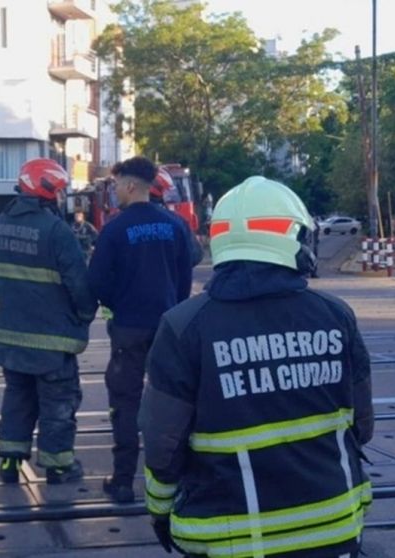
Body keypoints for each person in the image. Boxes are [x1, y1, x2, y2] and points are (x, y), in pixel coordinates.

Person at [139, 176, 373, 557]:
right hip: (334, 529)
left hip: (231, 540)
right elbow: (362, 426)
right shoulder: (336, 316)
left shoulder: (184, 327)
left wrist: (160, 511)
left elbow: (162, 447)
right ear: (293, 237)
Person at [86, 156, 197, 503]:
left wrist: (117, 303)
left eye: (117, 185)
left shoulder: (115, 229)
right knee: (174, 401)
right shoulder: (176, 225)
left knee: (125, 401)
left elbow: (96, 281)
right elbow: (186, 274)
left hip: (129, 329)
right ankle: (178, 479)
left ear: (131, 185)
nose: (115, 191)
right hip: (168, 328)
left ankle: (122, 482)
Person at [0, 158, 97, 485]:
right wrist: (85, 315)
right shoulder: (56, 231)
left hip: (11, 337)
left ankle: (10, 461)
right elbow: (79, 284)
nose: (62, 198)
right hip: (52, 340)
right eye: (60, 191)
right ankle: (58, 465)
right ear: (48, 190)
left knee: (17, 398)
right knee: (58, 403)